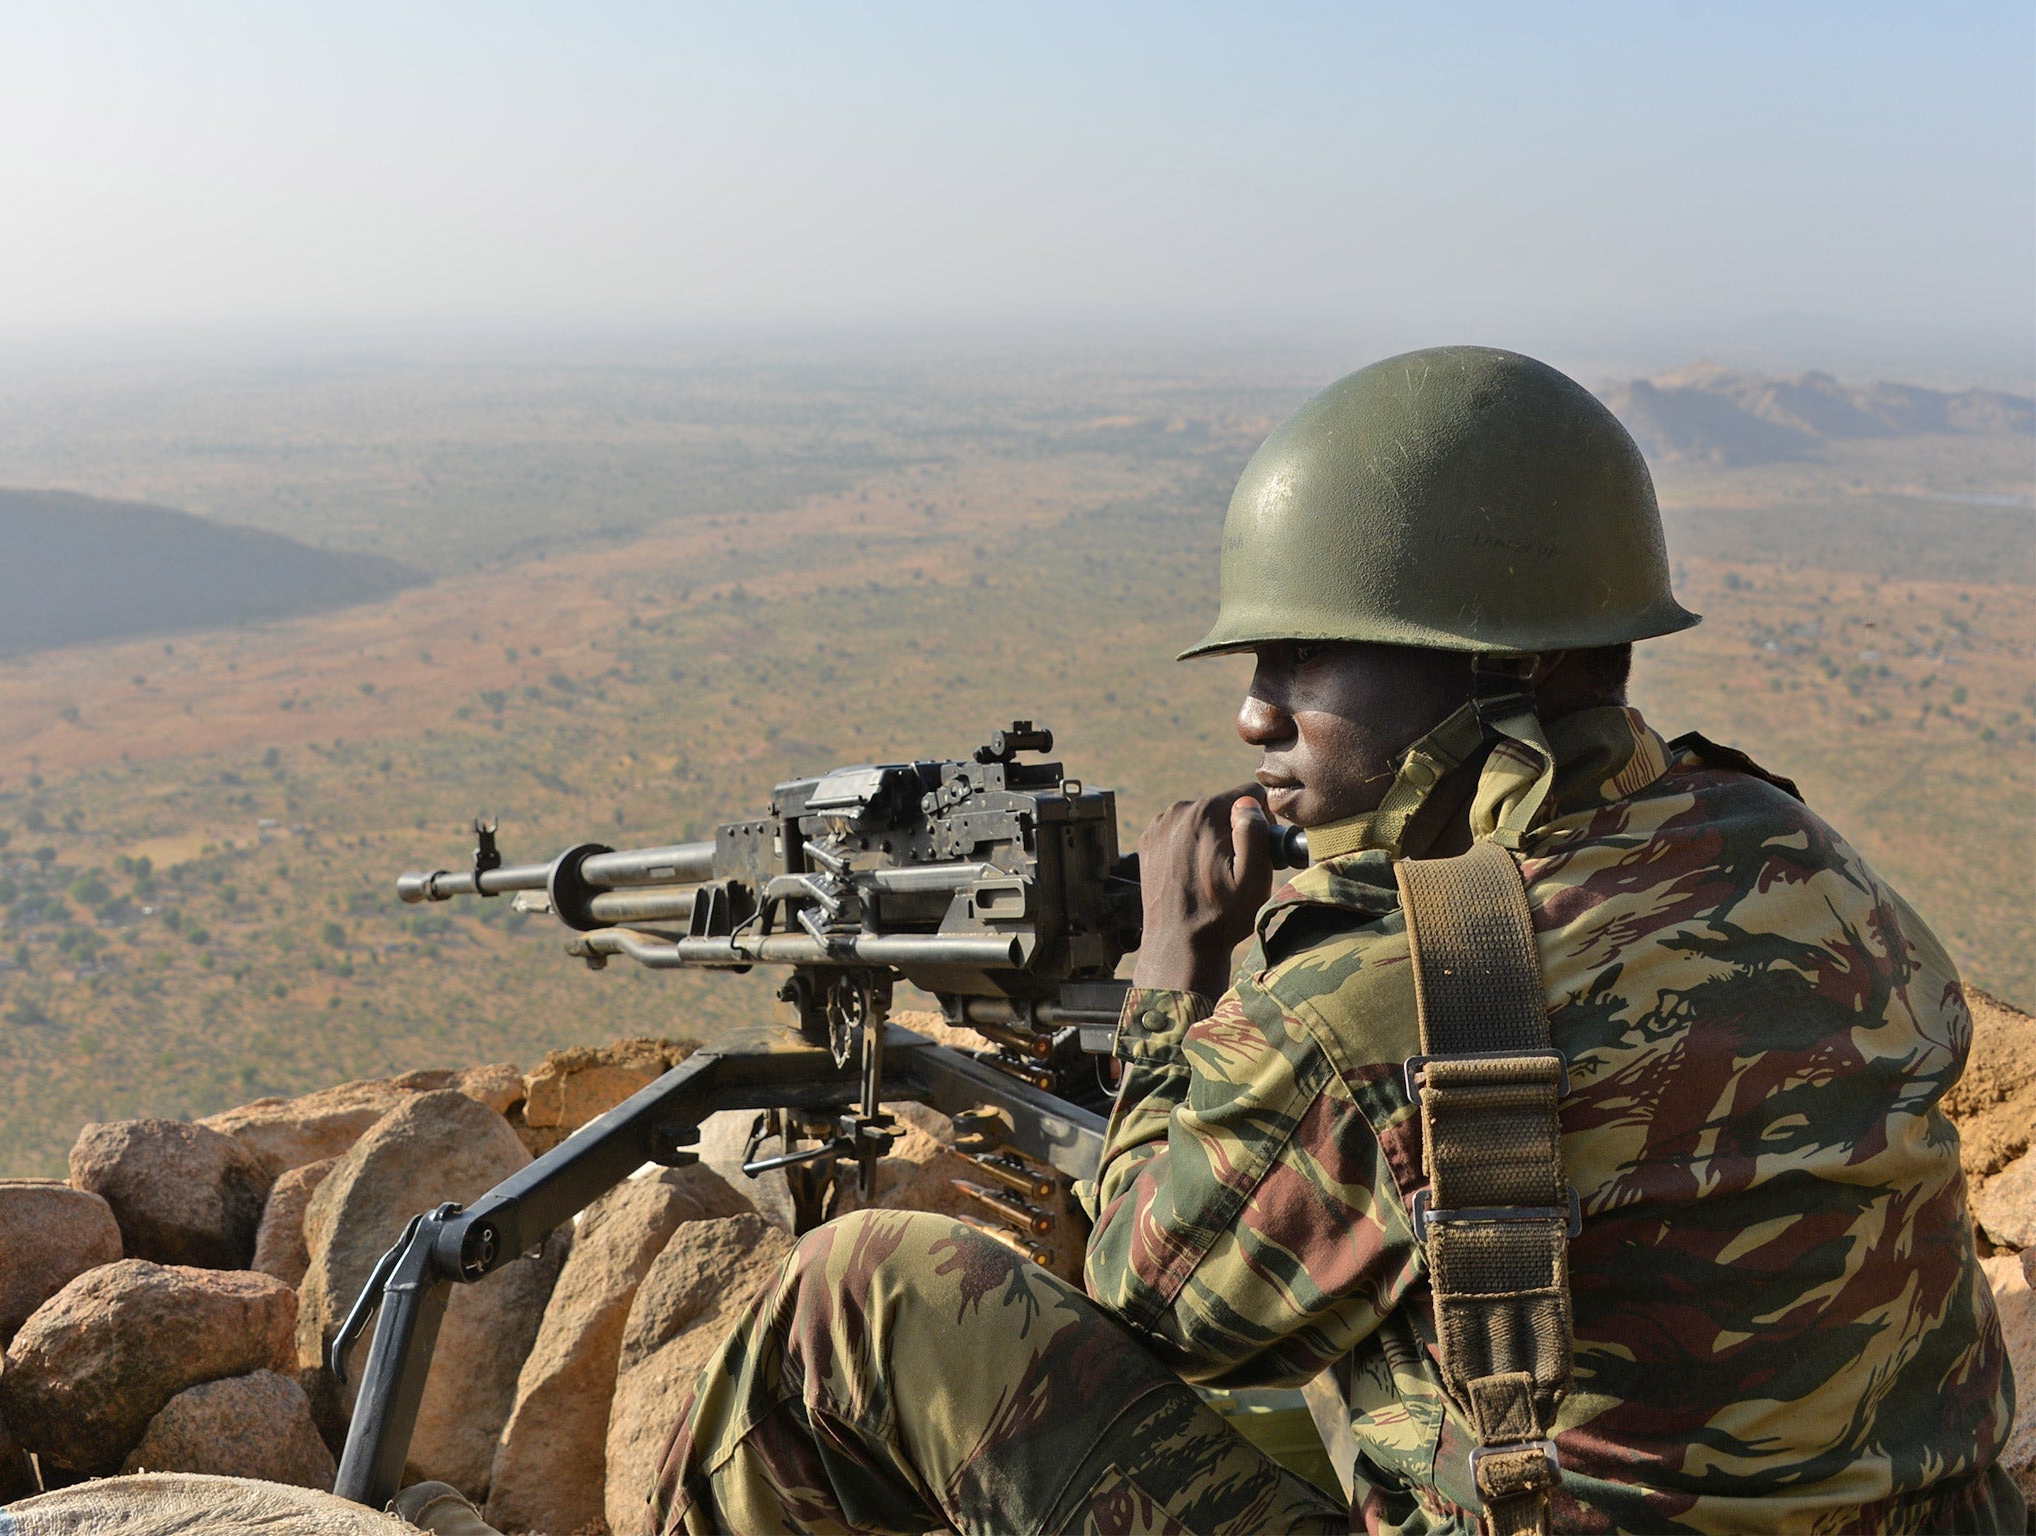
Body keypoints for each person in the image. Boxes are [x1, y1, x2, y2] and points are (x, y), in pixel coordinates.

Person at [652, 347, 2023, 1534]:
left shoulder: (1394, 997)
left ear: (1495, 667)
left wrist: (1174, 980)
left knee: (860, 1299)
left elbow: (1150, 1289)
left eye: (1304, 660)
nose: (1255, 716)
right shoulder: (1804, 860)